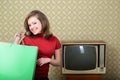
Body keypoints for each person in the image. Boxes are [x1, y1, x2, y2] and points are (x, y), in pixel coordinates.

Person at [14, 10, 62, 80]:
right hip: (25, 77)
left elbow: (58, 62)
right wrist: (16, 40)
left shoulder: (54, 40)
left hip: (43, 78)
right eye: (29, 25)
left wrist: (48, 60)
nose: (32, 27)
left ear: (43, 22)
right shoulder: (26, 39)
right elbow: (15, 57)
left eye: (34, 23)